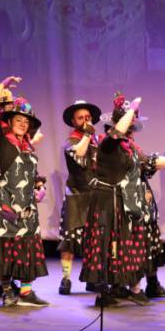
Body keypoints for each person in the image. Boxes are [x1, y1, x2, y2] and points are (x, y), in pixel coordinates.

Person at [79, 94, 152, 307]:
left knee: (121, 242)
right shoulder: (108, 143)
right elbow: (117, 132)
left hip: (121, 199)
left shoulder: (127, 148)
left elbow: (147, 163)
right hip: (105, 199)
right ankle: (103, 292)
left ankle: (122, 287)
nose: (130, 130)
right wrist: (132, 109)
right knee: (104, 242)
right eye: (128, 125)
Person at [0, 77, 48, 307]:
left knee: (27, 245)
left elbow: (32, 174)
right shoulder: (4, 142)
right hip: (7, 202)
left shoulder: (28, 146)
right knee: (7, 245)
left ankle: (26, 292)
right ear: (9, 122)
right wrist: (2, 85)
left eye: (25, 121)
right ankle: (8, 289)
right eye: (18, 120)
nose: (22, 124)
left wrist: (40, 188)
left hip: (28, 204)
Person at [57, 100, 101, 295]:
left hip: (94, 195)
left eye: (88, 117)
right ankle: (66, 278)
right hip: (75, 194)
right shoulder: (72, 141)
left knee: (94, 239)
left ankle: (91, 277)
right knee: (70, 240)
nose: (85, 120)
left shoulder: (96, 142)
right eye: (81, 118)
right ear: (73, 122)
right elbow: (79, 154)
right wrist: (87, 134)